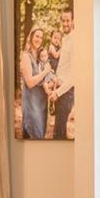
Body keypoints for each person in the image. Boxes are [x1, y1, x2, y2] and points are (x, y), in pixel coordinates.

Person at [18, 26, 52, 141]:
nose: (39, 39)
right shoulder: (26, 57)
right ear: (31, 36)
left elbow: (44, 80)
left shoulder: (40, 57)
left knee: (40, 138)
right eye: (37, 36)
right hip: (32, 106)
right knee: (34, 137)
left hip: (42, 105)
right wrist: (45, 72)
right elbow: (30, 82)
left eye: (41, 37)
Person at [51, 9, 77, 140]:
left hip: (66, 93)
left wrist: (58, 92)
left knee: (58, 134)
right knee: (58, 131)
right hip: (60, 89)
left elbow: (74, 76)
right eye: (63, 20)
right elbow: (64, 66)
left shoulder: (74, 41)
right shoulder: (65, 39)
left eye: (68, 20)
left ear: (73, 21)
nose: (65, 23)